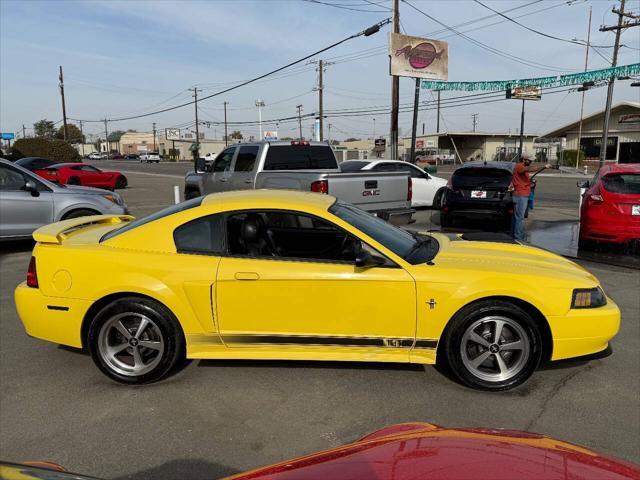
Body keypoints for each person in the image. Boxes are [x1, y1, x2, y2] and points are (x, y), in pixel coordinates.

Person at [510, 153, 552, 241]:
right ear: (524, 159)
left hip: (522, 194)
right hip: (520, 195)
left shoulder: (521, 167)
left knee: (516, 217)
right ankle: (518, 238)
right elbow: (529, 169)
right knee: (519, 218)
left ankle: (513, 235)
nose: (531, 161)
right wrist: (544, 166)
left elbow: (523, 178)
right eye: (530, 160)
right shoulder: (519, 166)